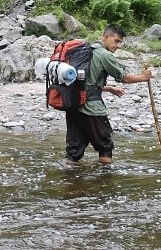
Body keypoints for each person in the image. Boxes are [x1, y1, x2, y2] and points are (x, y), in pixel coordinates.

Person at [65, 24, 152, 165]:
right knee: (105, 148)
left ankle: (70, 183)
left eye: (120, 42)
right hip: (92, 110)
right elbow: (124, 77)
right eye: (116, 41)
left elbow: (86, 83)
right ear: (106, 37)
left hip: (73, 107)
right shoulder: (104, 55)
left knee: (73, 152)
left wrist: (109, 88)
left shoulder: (84, 51)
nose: (119, 46)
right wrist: (144, 77)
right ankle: (104, 182)